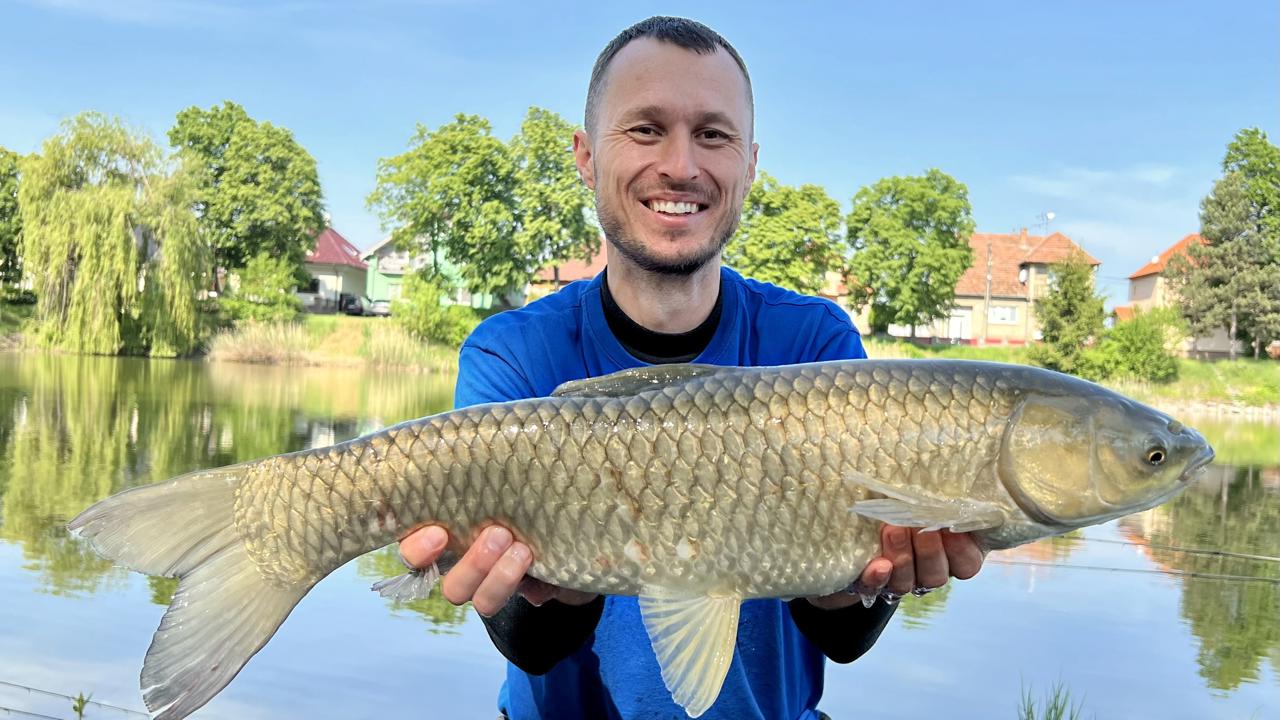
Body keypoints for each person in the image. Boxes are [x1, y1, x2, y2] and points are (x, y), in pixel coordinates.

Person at [397, 16, 986, 720]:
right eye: (645, 129)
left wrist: (873, 585)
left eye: (713, 134)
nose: (681, 165)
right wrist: (564, 583)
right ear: (586, 156)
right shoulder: (511, 354)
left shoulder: (813, 343)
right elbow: (528, 647)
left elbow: (842, 638)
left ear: (751, 163)